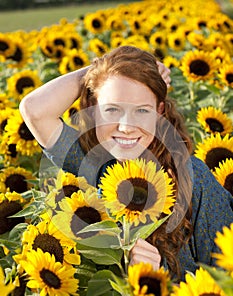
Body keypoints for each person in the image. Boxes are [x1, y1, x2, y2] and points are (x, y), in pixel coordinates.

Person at [19, 45, 233, 282]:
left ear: (159, 112)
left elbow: (226, 280)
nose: (126, 127)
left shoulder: (192, 177)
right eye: (111, 109)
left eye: (142, 110)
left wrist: (157, 279)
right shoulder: (94, 169)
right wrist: (101, 70)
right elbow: (35, 110)